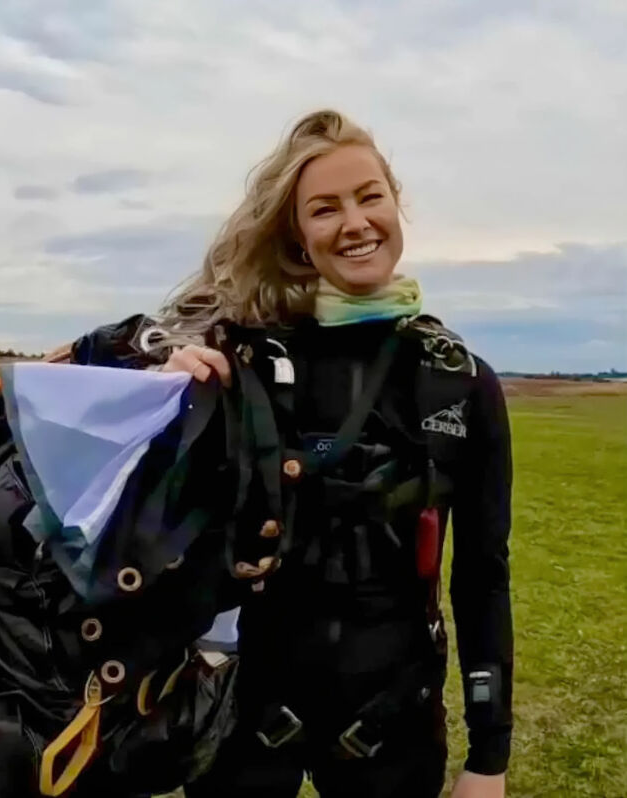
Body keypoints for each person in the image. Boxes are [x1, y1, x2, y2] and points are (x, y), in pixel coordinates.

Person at [157, 110, 514, 798]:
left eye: (369, 197)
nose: (354, 223)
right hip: (247, 718)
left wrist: (488, 757)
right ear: (297, 233)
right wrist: (172, 403)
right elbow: (160, 530)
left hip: (395, 723)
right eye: (325, 208)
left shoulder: (460, 382)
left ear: (395, 205)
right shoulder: (243, 366)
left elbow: (483, 577)